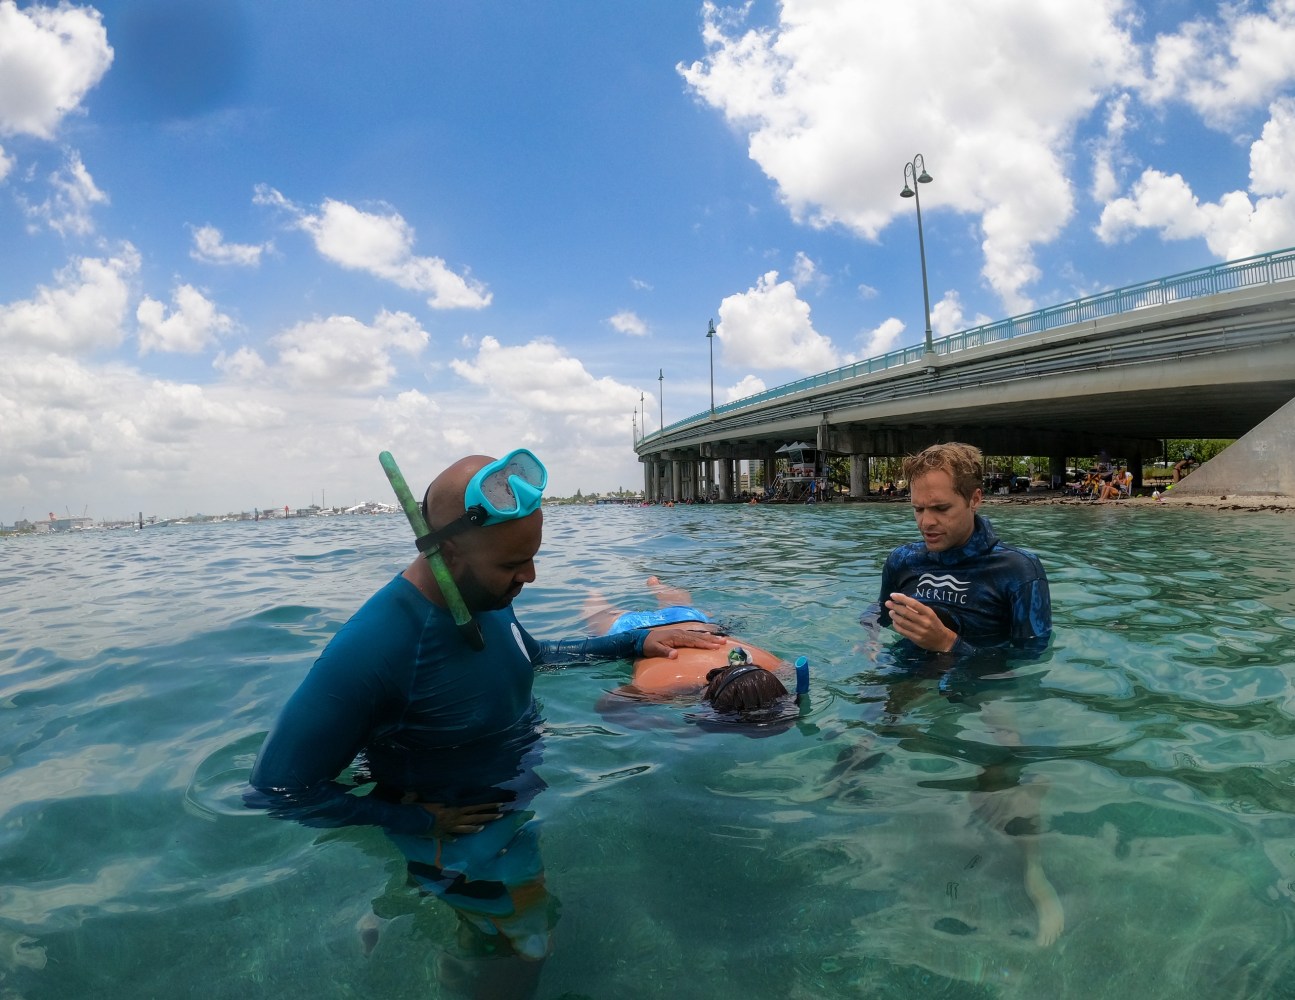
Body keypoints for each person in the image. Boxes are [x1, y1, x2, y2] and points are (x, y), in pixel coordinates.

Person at [244, 450, 721, 999]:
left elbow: (530, 653)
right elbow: (278, 790)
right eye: (513, 565)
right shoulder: (374, 648)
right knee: (526, 946)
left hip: (502, 792)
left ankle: (402, 905)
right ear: (447, 551)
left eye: (532, 557)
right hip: (463, 826)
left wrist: (630, 641)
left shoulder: (480, 595)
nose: (531, 575)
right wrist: (419, 821)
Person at [859, 442, 1060, 946]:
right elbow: (876, 615)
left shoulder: (1019, 570)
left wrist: (950, 644)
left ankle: (1033, 873)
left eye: (941, 508)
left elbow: (1032, 657)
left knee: (1008, 763)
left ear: (975, 499)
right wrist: (869, 642)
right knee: (861, 742)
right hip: (913, 674)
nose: (926, 522)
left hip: (986, 682)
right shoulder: (903, 560)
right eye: (918, 509)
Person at [583, 576, 790, 714]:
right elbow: (607, 705)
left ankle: (653, 584)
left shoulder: (774, 665)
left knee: (678, 601)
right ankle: (592, 591)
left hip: (692, 621)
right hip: (634, 632)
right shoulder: (664, 686)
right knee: (598, 610)